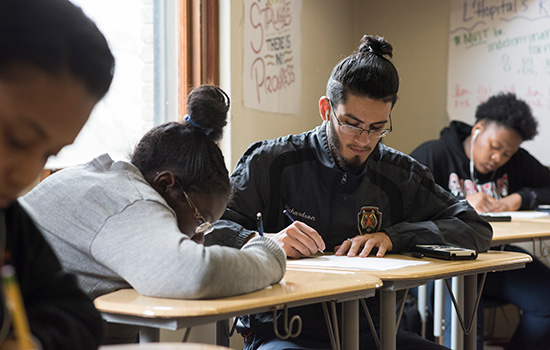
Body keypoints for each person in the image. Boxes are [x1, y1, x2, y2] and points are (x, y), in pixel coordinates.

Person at [208, 35, 492, 350]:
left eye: (377, 128)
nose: (363, 140)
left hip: (373, 332)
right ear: (325, 109)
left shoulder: (400, 174)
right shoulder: (271, 162)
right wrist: (261, 242)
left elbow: (475, 228)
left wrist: (395, 236)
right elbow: (205, 230)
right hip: (285, 333)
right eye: (351, 124)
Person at [19, 85, 287, 343]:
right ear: (166, 184)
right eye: (200, 221)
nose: (198, 238)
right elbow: (194, 273)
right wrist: (269, 253)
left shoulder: (105, 179)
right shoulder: (130, 202)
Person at [0, 0, 115, 349]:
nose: (25, 175)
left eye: (49, 154)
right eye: (18, 139)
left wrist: (33, 341)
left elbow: (77, 314)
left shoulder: (7, 222)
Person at [410, 92, 550, 350]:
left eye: (508, 153)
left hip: (495, 256)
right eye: (495, 147)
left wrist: (520, 198)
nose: (499, 158)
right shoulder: (434, 155)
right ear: (477, 130)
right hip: (444, 264)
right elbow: (403, 207)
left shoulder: (518, 162)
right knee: (465, 311)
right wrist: (457, 207)